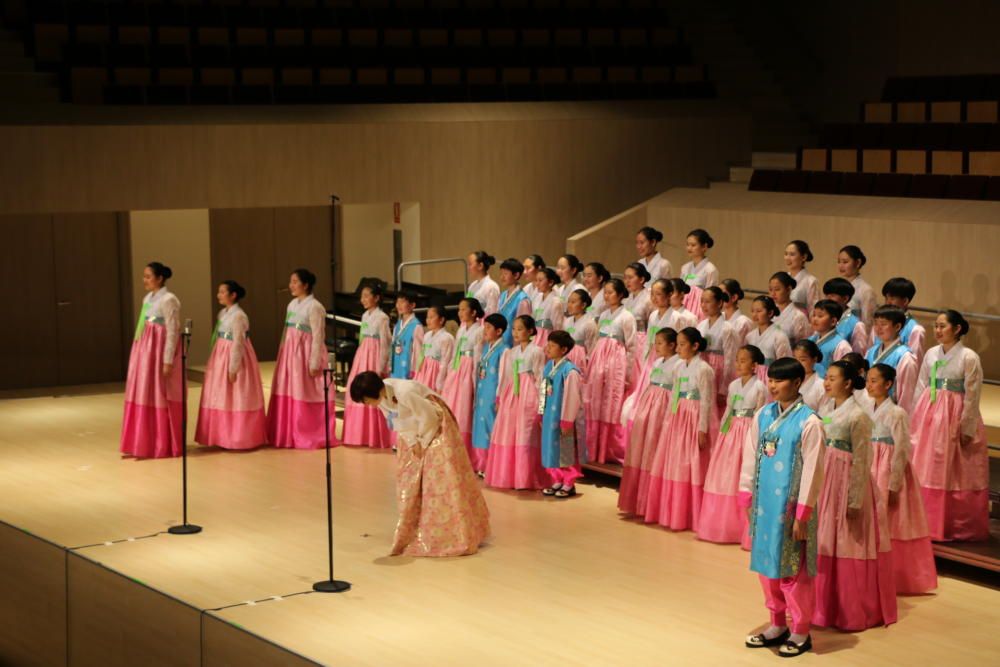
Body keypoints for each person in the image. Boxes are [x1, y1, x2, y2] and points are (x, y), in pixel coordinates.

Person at [351, 372, 490, 557]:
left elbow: (430, 417)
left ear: (373, 392)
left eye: (366, 400)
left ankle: (456, 534)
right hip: (413, 428)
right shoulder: (382, 398)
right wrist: (412, 442)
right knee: (409, 476)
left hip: (436, 425)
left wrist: (423, 442)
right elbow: (396, 422)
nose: (367, 404)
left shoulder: (405, 392)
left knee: (441, 477)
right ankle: (418, 528)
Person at [739, 358, 824, 659]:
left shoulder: (810, 422)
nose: (773, 385)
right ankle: (777, 623)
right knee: (767, 566)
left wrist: (803, 514)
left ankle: (801, 629)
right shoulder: (762, 415)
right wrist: (746, 495)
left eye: (780, 380)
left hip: (790, 510)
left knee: (793, 571)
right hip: (764, 507)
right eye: (771, 379)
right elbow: (750, 456)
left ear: (798, 382)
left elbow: (813, 471)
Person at [813, 360, 896, 631]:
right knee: (824, 538)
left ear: (848, 383)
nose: (826, 382)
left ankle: (848, 609)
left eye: (833, 378)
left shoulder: (858, 416)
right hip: (825, 480)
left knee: (846, 542)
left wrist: (855, 499)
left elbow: (862, 460)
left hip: (846, 481)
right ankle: (821, 606)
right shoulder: (825, 408)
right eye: (826, 377)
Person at [909, 310, 989, 542]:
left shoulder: (969, 357)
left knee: (952, 467)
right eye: (936, 326)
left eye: (943, 326)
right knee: (927, 464)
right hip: (930, 412)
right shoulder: (932, 353)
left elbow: (973, 395)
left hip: (954, 413)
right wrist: (916, 416)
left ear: (957, 329)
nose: (938, 330)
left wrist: (967, 427)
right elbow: (921, 384)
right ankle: (924, 521)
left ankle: (953, 524)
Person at [866, 363, 938, 594]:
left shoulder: (897, 413)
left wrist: (895, 482)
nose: (869, 384)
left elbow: (902, 449)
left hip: (887, 469)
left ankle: (896, 576)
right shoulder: (866, 409)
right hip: (871, 465)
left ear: (888, 384)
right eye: (868, 380)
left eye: (875, 380)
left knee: (892, 522)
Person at [644, 327, 717, 531]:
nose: (679, 349)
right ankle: (671, 512)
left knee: (691, 463)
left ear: (695, 346)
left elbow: (706, 401)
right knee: (675, 462)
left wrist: (702, 429)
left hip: (693, 416)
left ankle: (691, 514)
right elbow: (674, 395)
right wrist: (668, 420)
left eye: (683, 344)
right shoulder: (678, 367)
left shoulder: (704, 369)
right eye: (678, 344)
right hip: (678, 418)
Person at [697, 345, 766, 544]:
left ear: (754, 365)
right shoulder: (734, 385)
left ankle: (741, 529)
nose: (738, 364)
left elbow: (760, 414)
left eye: (743, 360)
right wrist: (722, 434)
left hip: (748, 431)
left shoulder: (760, 387)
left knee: (740, 475)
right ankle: (719, 526)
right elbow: (728, 410)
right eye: (737, 359)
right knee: (723, 476)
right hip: (731, 431)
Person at [267, 268, 338, 450]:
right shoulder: (291, 305)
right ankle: (287, 432)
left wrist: (314, 361)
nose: (291, 285)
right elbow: (286, 331)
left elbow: (318, 336)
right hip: (290, 353)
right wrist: (283, 352)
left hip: (304, 353)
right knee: (288, 389)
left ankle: (307, 433)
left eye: (295, 282)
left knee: (303, 390)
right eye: (291, 281)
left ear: (305, 285)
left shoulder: (315, 307)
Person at [121, 261, 184, 458]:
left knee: (158, 393)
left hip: (158, 351)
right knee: (143, 392)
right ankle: (142, 440)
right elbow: (143, 324)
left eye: (149, 277)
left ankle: (161, 442)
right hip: (145, 351)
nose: (145, 280)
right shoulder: (148, 297)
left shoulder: (169, 299)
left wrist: (167, 359)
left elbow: (173, 330)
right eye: (144, 276)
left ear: (160, 278)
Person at [195, 280, 267, 450]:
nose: (218, 295)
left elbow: (238, 343)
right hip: (220, 354)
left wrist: (233, 367)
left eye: (222, 292)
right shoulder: (222, 314)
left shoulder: (239, 316)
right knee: (220, 394)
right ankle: (220, 435)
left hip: (233, 355)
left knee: (236, 393)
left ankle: (239, 437)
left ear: (233, 295)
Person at [619, 328, 679, 516]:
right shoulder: (657, 362)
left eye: (661, 343)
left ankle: (652, 503)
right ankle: (637, 500)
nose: (656, 346)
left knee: (654, 449)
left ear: (672, 345)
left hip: (663, 408)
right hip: (649, 405)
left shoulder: (678, 365)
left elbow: (675, 392)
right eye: (656, 342)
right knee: (641, 448)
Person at [484, 315, 548, 489]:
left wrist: (540, 403)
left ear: (530, 331)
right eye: (514, 329)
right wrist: (499, 398)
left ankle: (525, 478)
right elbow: (504, 377)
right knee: (508, 432)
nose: (515, 332)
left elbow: (540, 377)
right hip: (512, 393)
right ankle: (507, 476)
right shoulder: (511, 352)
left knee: (525, 433)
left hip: (528, 395)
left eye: (520, 329)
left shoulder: (537, 351)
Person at [584, 279, 637, 463]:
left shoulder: (627, 316)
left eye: (610, 292)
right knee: (596, 400)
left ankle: (609, 450)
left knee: (610, 402)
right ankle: (592, 448)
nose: (606, 296)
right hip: (600, 357)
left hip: (616, 359)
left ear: (621, 294)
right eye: (605, 292)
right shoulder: (604, 313)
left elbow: (631, 346)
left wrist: (628, 374)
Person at [341, 283, 392, 448]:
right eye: (361, 296)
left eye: (366, 296)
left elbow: (385, 344)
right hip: (363, 354)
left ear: (376, 298)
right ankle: (358, 434)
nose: (363, 300)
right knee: (356, 388)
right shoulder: (365, 316)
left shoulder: (382, 317)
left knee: (371, 389)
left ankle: (374, 435)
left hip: (374, 354)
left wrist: (380, 366)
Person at [539, 331, 588, 498]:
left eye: (552, 346)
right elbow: (542, 390)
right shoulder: (548, 366)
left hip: (562, 417)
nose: (548, 348)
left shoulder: (570, 371)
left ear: (563, 349)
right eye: (548, 344)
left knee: (565, 448)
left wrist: (567, 421)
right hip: (549, 416)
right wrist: (540, 412)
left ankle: (569, 482)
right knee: (551, 448)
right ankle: (557, 478)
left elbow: (572, 398)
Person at [441, 298, 484, 465]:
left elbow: (478, 356)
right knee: (453, 406)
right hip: (458, 369)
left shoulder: (479, 331)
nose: (460, 313)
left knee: (465, 409)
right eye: (459, 309)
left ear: (473, 312)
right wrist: (450, 373)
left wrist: (475, 380)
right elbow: (455, 354)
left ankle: (467, 453)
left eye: (464, 309)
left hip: (469, 369)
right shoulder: (461, 330)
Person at [470, 314, 510, 476]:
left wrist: (499, 397)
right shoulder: (486, 348)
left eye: (488, 328)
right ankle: (481, 463)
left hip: (492, 393)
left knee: (491, 425)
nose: (484, 331)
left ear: (499, 331)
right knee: (480, 426)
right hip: (482, 391)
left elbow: (504, 376)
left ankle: (492, 465)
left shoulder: (504, 350)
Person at [864, 305, 918, 411]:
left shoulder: (905, 357)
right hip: (869, 407)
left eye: (883, 324)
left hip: (891, 411)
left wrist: (901, 415)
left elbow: (906, 395)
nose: (878, 328)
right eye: (876, 323)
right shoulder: (871, 351)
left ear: (897, 326)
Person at [697, 286, 737, 410]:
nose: (704, 305)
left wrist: (724, 388)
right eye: (702, 301)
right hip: (703, 366)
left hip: (719, 370)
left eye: (708, 301)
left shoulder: (727, 328)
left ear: (719, 303)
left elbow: (730, 360)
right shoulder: (701, 325)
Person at [874, 277, 926, 368]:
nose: (888, 302)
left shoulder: (915, 330)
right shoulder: (878, 324)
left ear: (905, 301)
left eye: (892, 298)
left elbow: (915, 365)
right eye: (886, 298)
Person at [745, 295, 792, 384]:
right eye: (752, 311)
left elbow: (784, 363)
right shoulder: (750, 336)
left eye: (759, 311)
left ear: (770, 313)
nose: (755, 314)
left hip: (771, 378)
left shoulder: (779, 336)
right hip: (752, 377)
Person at [412, 305, 454, 394]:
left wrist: (440, 384)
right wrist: (417, 372)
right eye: (427, 317)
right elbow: (422, 354)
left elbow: (445, 362)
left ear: (441, 320)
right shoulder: (427, 335)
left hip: (435, 372)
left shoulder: (447, 338)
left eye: (431, 317)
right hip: (424, 371)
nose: (428, 320)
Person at [679, 228, 718, 319]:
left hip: (700, 312)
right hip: (684, 310)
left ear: (704, 247)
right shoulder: (685, 268)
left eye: (693, 245)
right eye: (687, 245)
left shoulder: (710, 269)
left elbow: (710, 296)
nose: (689, 248)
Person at [822, 277, 868, 355]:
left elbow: (858, 355)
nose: (827, 299)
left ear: (845, 299)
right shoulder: (823, 319)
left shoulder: (856, 325)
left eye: (832, 295)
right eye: (826, 295)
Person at [806, 299, 851, 378]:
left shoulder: (841, 346)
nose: (815, 319)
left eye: (820, 316)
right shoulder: (809, 340)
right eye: (814, 315)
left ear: (833, 321)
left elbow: (843, 374)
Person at [836, 245, 875, 330]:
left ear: (857, 263)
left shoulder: (866, 290)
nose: (841, 266)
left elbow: (868, 322)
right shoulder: (836, 286)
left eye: (845, 262)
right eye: (839, 262)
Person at [496, 258, 532, 347]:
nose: (502, 277)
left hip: (514, 343)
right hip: (501, 341)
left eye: (505, 274)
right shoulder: (503, 295)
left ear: (516, 275)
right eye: (501, 273)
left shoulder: (522, 299)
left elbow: (523, 326)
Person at [770, 271, 811, 345]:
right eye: (770, 290)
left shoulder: (798, 316)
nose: (773, 293)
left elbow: (803, 345)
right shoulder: (768, 312)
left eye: (777, 289)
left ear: (788, 289)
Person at [562, 289, 597, 375]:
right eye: (569, 301)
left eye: (573, 302)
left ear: (583, 305)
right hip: (565, 356)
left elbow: (592, 348)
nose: (569, 305)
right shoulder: (567, 321)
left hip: (580, 361)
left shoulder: (590, 323)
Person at [389, 292, 423, 380]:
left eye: (402, 302)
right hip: (396, 367)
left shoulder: (416, 326)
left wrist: (416, 371)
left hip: (408, 369)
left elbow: (419, 352)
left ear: (412, 305)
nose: (399, 305)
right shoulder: (397, 325)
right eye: (397, 302)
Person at [530, 267, 563, 348]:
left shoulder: (556, 302)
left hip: (547, 339)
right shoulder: (537, 297)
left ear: (550, 282)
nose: (537, 283)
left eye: (540, 280)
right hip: (535, 336)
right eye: (536, 280)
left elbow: (557, 326)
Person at [784, 240, 819, 315]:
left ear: (803, 257)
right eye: (786, 254)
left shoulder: (811, 281)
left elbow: (813, 310)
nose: (787, 258)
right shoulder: (782, 278)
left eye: (792, 254)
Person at [793, 340, 825, 410]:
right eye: (795, 359)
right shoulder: (788, 381)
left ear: (814, 359)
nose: (797, 363)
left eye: (802, 360)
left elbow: (828, 419)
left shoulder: (822, 386)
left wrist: (817, 420)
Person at [720, 278, 753, 347]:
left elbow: (739, 347)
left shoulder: (743, 322)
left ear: (734, 297)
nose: (719, 298)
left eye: (723, 294)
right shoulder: (718, 317)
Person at [467, 250, 499, 315]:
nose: (468, 267)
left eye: (470, 264)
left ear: (480, 266)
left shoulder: (491, 286)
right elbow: (468, 304)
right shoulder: (472, 286)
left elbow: (492, 313)